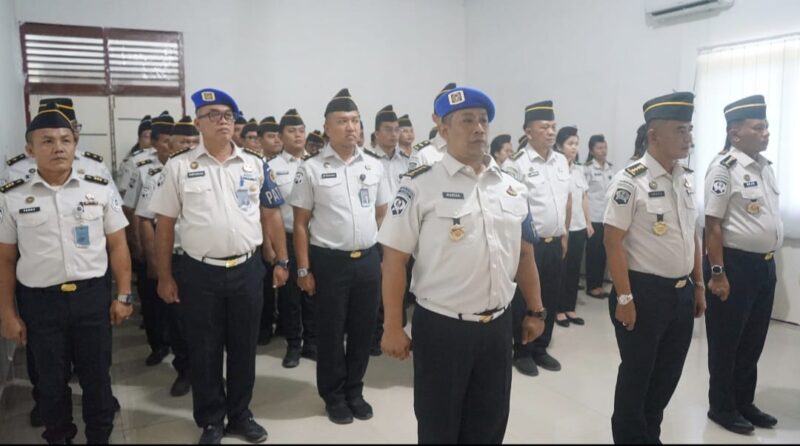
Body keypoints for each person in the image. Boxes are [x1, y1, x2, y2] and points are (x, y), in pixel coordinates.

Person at [379, 86, 546, 444]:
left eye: (483, 120)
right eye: (467, 120)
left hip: (497, 327)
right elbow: (394, 259)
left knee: (490, 422)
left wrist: (535, 309)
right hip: (442, 329)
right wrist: (392, 325)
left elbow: (525, 253)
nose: (479, 128)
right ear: (443, 130)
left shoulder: (511, 187)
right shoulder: (420, 185)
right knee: (439, 427)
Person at [149, 88, 288, 444]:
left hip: (247, 269)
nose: (222, 121)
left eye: (228, 115)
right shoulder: (179, 166)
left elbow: (272, 215)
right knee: (205, 349)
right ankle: (211, 420)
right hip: (200, 273)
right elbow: (165, 225)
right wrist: (164, 276)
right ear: (198, 123)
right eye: (213, 115)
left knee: (244, 348)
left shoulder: (254, 163)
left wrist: (281, 259)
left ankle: (240, 415)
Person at [0, 107, 132, 444]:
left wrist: (123, 295)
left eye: (65, 140)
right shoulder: (12, 196)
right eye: (47, 141)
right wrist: (7, 313)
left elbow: (118, 245)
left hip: (91, 298)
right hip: (41, 303)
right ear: (30, 150)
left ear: (75, 145)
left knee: (97, 378)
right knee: (50, 382)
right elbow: (5, 259)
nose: (58, 147)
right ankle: (59, 437)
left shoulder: (98, 188)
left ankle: (99, 437)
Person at [604, 92, 706, 444]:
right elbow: (612, 242)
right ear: (654, 135)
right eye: (680, 130)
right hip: (643, 293)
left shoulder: (685, 178)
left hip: (680, 293)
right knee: (637, 376)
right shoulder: (630, 180)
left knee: (666, 376)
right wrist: (624, 297)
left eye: (689, 129)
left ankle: (650, 435)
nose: (688, 137)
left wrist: (698, 285)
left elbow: (692, 235)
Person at [290, 88, 390, 425]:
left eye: (355, 121)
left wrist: (380, 255)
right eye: (342, 121)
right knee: (331, 333)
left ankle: (354, 390)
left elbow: (382, 213)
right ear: (326, 127)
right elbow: (300, 224)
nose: (350, 127)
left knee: (363, 330)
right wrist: (303, 269)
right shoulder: (312, 168)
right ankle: (333, 395)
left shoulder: (374, 165)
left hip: (367, 260)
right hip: (329, 262)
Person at [703, 95, 782, 434]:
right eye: (758, 127)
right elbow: (712, 225)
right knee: (727, 341)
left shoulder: (764, 167)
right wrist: (717, 273)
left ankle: (743, 402)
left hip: (764, 266)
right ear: (735, 133)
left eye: (766, 126)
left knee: (752, 340)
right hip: (733, 266)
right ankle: (721, 407)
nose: (766, 133)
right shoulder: (724, 168)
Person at [502, 100, 570, 377]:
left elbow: (564, 201)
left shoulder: (561, 161)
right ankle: (522, 349)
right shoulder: (516, 164)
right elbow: (510, 208)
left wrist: (565, 233)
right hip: (529, 246)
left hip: (555, 241)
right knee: (525, 298)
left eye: (553, 126)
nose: (551, 132)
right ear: (528, 131)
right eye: (544, 127)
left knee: (550, 295)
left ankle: (541, 346)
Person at [135, 115, 198, 398]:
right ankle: (185, 369)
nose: (190, 146)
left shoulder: (211, 171)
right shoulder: (158, 177)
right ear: (169, 146)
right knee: (178, 320)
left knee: (206, 322)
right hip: (177, 257)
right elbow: (145, 220)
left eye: (195, 142)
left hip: (205, 260)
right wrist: (156, 263)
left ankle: (207, 370)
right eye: (184, 142)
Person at [124, 111, 175, 367]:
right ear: (155, 143)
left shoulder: (186, 166)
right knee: (153, 300)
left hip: (178, 244)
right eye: (165, 141)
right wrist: (139, 248)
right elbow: (131, 208)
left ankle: (179, 344)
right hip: (150, 240)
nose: (171, 146)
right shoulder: (141, 167)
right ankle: (159, 345)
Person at [269, 108, 317, 367]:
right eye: (291, 131)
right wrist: (272, 247)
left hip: (316, 239)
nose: (298, 135)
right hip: (287, 239)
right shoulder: (272, 168)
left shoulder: (317, 163)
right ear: (280, 136)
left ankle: (312, 342)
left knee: (314, 292)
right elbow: (269, 212)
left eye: (301, 130)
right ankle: (294, 345)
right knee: (290, 297)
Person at [2, 98, 113, 186]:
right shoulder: (15, 170)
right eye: (48, 140)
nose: (74, 133)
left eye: (75, 127)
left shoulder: (95, 165)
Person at [555, 126, 591, 327]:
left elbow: (584, 197)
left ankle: (570, 307)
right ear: (560, 146)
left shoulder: (579, 170)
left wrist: (588, 222)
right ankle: (558, 309)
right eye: (570, 143)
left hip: (578, 226)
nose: (574, 147)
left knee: (574, 270)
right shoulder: (555, 169)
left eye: (576, 144)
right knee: (561, 269)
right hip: (561, 228)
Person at [584, 134, 614, 299]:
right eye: (599, 148)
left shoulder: (610, 168)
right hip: (593, 217)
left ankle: (599, 284)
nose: (603, 151)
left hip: (606, 217)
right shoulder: (587, 169)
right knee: (593, 253)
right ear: (591, 150)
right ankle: (591, 286)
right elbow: (583, 195)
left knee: (603, 252)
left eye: (605, 147)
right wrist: (586, 219)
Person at [407, 82, 457, 170]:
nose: (453, 120)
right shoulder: (423, 154)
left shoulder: (472, 150)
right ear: (435, 118)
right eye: (447, 115)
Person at [116, 115, 153, 189]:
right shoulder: (131, 161)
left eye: (153, 136)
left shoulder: (159, 158)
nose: (150, 140)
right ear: (139, 139)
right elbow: (123, 189)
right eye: (146, 136)